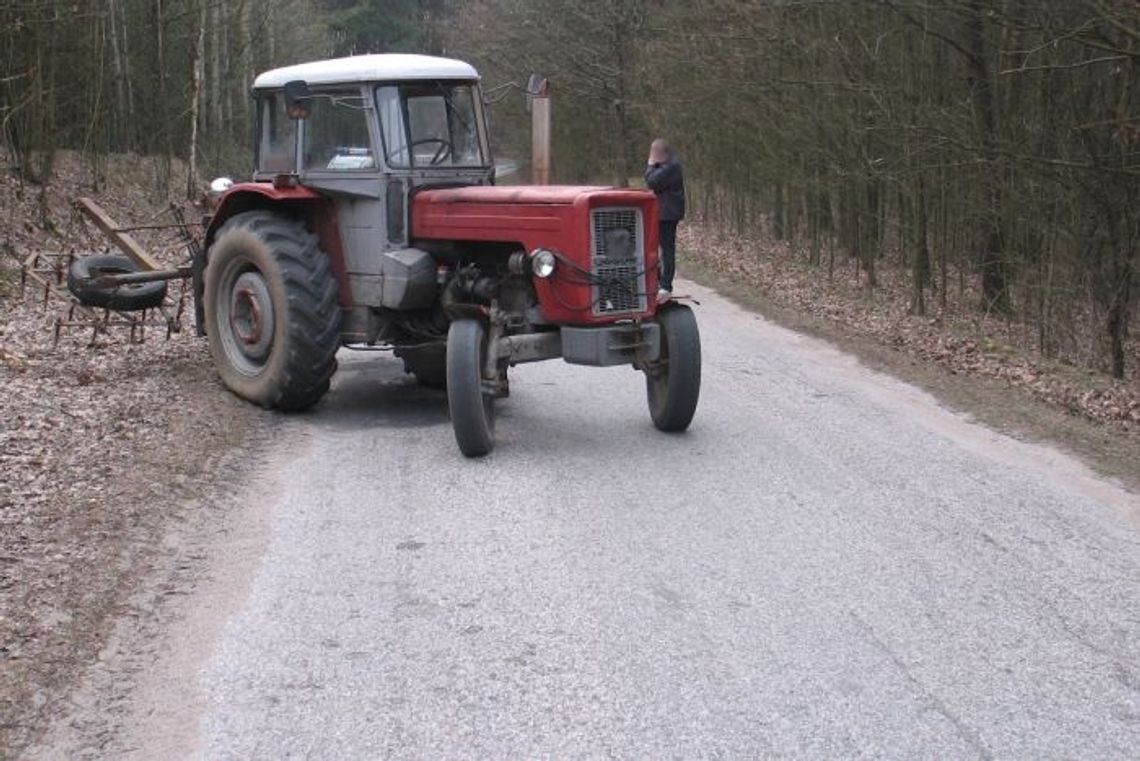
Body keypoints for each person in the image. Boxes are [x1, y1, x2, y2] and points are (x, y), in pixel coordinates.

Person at [645, 138, 685, 302]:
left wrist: (650, 165)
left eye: (654, 155)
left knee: (667, 248)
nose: (652, 157)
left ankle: (666, 285)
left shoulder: (671, 167)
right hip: (662, 212)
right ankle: (657, 280)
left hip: (668, 214)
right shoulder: (665, 166)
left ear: (662, 154)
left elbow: (651, 181)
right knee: (656, 247)